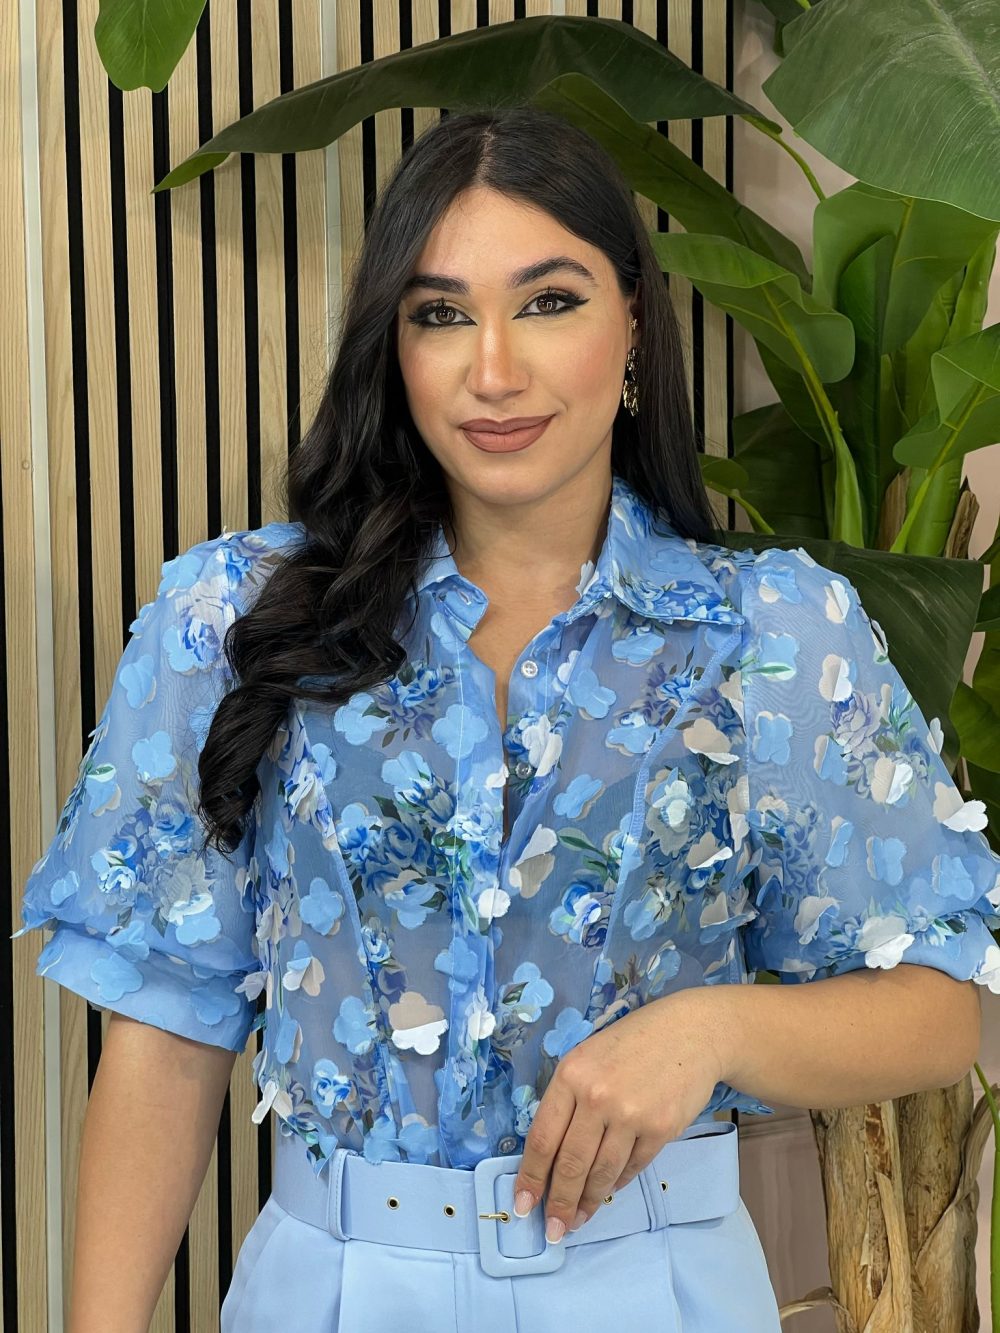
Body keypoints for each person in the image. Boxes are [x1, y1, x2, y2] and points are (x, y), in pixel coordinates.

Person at [12, 104, 998, 1332]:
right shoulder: (232, 620)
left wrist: (711, 1029)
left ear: (632, 323)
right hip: (335, 1288)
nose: (492, 370)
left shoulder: (776, 632)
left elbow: (938, 1006)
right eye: (439, 314)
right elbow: (165, 1032)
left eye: (548, 302)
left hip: (656, 1288)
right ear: (394, 348)